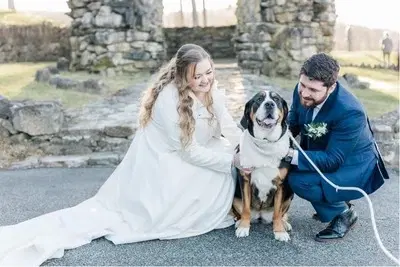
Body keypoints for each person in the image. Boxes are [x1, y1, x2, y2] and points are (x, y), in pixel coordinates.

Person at [0, 44, 246, 265]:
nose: (206, 80)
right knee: (218, 173)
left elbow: (227, 125)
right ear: (183, 76)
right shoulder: (168, 100)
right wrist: (232, 161)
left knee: (227, 157)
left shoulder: (212, 89)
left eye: (209, 72)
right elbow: (189, 152)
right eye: (197, 76)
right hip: (168, 163)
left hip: (197, 149)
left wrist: (246, 150)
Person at [284, 53, 389, 242]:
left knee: (299, 180)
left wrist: (288, 154)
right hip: (327, 154)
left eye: (313, 90)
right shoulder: (302, 90)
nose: (305, 93)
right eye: (303, 85)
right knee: (285, 166)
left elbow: (333, 160)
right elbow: (294, 120)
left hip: (353, 165)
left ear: (331, 87)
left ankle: (343, 214)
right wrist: (276, 139)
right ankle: (333, 200)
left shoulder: (350, 112)